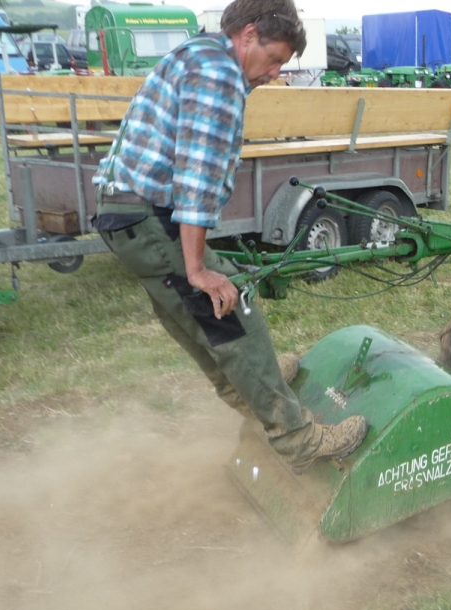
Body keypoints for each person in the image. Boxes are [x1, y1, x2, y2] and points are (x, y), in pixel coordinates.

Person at [93, 0, 367, 473]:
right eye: (274, 59)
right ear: (248, 34)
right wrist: (197, 269)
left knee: (193, 312)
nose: (274, 73)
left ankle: (247, 388)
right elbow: (197, 177)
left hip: (123, 213)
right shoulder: (220, 78)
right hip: (147, 215)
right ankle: (295, 439)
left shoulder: (195, 53)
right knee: (232, 312)